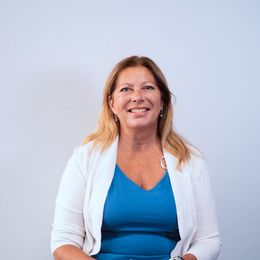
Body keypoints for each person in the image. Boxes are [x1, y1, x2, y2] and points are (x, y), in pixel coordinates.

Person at [51, 56, 221, 260]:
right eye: (126, 89)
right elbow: (63, 242)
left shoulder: (190, 160)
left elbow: (208, 240)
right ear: (112, 104)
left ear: (162, 101)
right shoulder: (85, 158)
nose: (137, 97)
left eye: (148, 88)